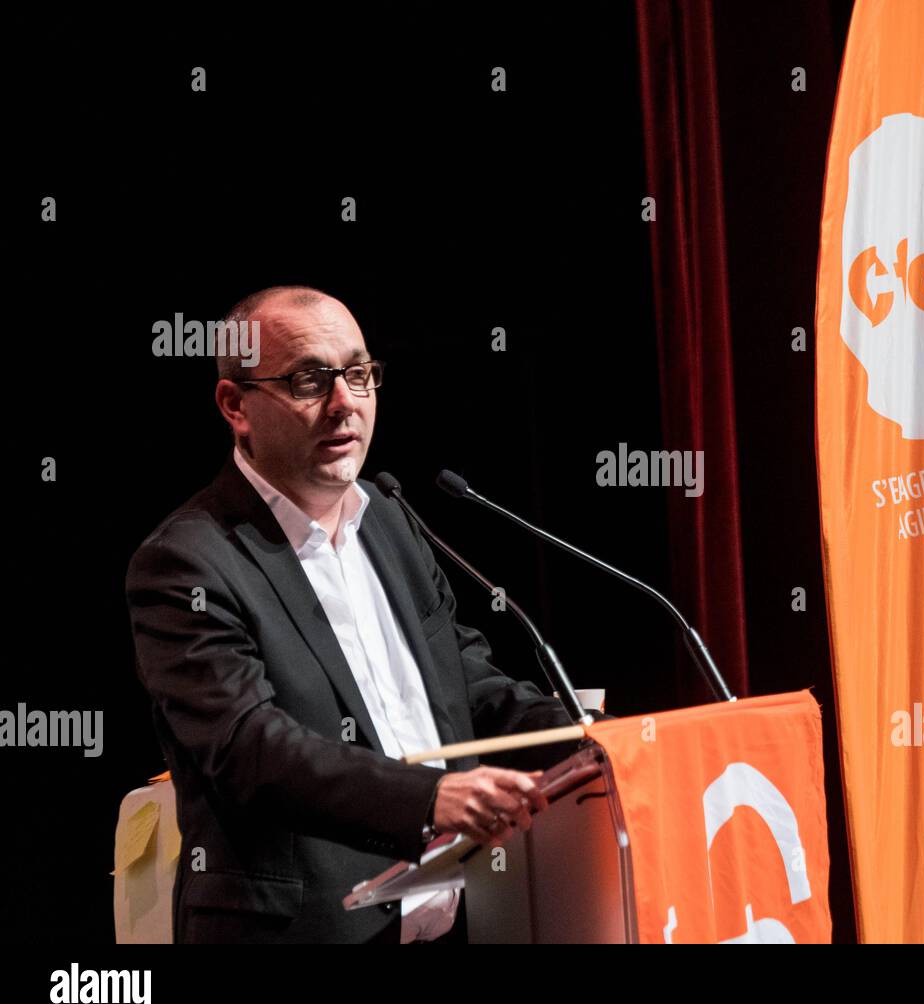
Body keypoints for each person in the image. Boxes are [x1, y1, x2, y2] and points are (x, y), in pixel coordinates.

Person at [125, 286, 598, 943]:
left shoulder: (390, 520)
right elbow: (249, 748)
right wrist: (426, 799)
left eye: (359, 373)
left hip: (456, 920)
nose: (345, 401)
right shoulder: (186, 562)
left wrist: (589, 738)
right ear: (236, 405)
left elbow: (468, 688)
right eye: (309, 379)